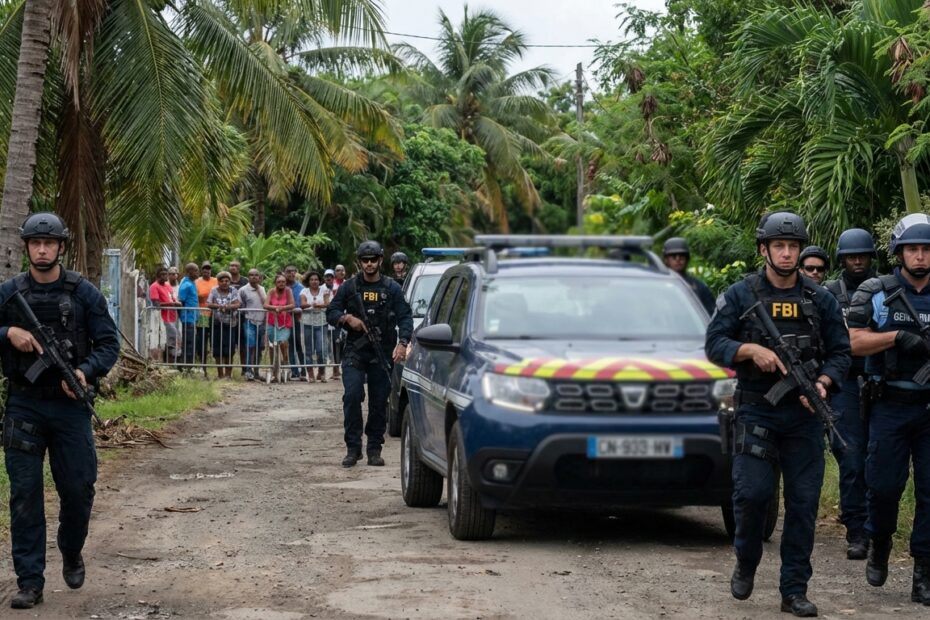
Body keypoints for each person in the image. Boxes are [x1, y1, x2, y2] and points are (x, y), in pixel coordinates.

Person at [705, 212, 850, 617]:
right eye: (779, 246)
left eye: (793, 247)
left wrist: (822, 383)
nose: (787, 253)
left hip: (804, 418)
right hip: (756, 408)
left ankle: (794, 590)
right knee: (752, 495)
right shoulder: (740, 294)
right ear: (764, 249)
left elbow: (841, 353)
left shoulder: (819, 299)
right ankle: (746, 560)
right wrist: (750, 351)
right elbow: (715, 343)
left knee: (803, 505)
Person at [0, 212, 119, 609]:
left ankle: (71, 549)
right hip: (24, 403)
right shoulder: (9, 293)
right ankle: (30, 582)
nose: (42, 249)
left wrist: (84, 372)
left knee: (78, 488)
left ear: (61, 247)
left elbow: (108, 345)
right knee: (24, 495)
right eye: (35, 243)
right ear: (27, 247)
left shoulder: (83, 293)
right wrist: (7, 333)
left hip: (70, 408)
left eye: (49, 243)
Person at [846, 214, 930, 606]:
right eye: (913, 249)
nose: (920, 256)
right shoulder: (876, 291)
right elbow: (853, 342)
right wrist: (896, 337)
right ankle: (879, 541)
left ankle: (923, 572)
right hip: (889, 405)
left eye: (926, 249)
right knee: (882, 488)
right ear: (899, 253)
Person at [327, 241, 413, 468]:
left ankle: (374, 448)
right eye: (365, 260)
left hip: (382, 353)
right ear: (359, 262)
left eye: (373, 259)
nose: (369, 264)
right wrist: (347, 319)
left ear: (380, 260)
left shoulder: (392, 288)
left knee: (378, 402)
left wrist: (403, 343)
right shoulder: (349, 287)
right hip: (355, 351)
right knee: (352, 397)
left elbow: (405, 317)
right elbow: (332, 311)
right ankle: (353, 449)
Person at [823, 228, 878, 561]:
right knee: (851, 459)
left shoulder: (887, 291)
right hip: (843, 384)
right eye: (851, 256)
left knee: (880, 458)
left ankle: (876, 526)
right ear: (842, 259)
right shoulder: (829, 295)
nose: (857, 260)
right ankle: (856, 529)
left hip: (880, 382)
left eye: (862, 255)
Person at [662, 237, 716, 315]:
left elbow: (711, 316)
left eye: (682, 255)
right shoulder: (657, 285)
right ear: (666, 259)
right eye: (673, 256)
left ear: (687, 258)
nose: (678, 259)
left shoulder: (699, 287)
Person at [206, 271, 240, 379]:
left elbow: (238, 303)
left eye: (227, 281)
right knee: (217, 349)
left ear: (229, 281)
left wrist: (228, 307)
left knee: (229, 350)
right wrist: (219, 306)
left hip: (231, 324)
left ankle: (228, 374)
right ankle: (220, 374)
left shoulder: (233, 290)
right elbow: (208, 303)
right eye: (222, 281)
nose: (225, 283)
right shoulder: (214, 290)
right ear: (218, 282)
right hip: (217, 323)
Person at [264, 274, 295, 383]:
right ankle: (273, 370)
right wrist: (275, 308)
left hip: (285, 322)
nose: (281, 284)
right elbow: (265, 305)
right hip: (272, 322)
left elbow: (292, 305)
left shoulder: (288, 291)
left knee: (283, 342)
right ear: (275, 283)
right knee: (273, 346)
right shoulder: (271, 291)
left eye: (283, 282)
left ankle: (285, 362)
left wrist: (282, 308)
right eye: (279, 282)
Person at [300, 271, 330, 382]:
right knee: (308, 349)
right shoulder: (304, 291)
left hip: (322, 322)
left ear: (319, 280)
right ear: (308, 281)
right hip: (307, 322)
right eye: (312, 279)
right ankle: (310, 373)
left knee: (321, 348)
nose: (314, 281)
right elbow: (302, 304)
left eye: (316, 279)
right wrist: (311, 305)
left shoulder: (325, 290)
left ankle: (321, 372)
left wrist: (318, 305)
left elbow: (328, 303)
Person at [238, 268, 266, 381]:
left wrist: (259, 290)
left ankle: (257, 371)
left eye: (256, 275)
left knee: (259, 348)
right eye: (251, 275)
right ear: (248, 277)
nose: (254, 277)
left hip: (262, 321)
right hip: (249, 321)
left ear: (259, 277)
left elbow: (265, 303)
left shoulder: (263, 289)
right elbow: (240, 305)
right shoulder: (243, 290)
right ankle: (248, 371)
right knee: (250, 346)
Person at [148, 266, 180, 362]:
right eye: (162, 274)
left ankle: (172, 362)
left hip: (173, 316)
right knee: (171, 338)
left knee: (174, 339)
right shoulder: (154, 286)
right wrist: (171, 304)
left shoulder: (168, 286)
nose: (165, 276)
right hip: (163, 318)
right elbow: (156, 304)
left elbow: (173, 298)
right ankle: (168, 363)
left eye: (166, 274)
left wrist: (176, 302)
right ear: (157, 276)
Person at [194, 262, 218, 375]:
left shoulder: (216, 280)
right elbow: (195, 297)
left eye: (208, 269)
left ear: (211, 271)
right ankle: (202, 365)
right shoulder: (197, 282)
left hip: (216, 315)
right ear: (201, 270)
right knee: (202, 340)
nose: (206, 271)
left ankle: (218, 366)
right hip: (202, 314)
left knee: (215, 339)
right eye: (204, 269)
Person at [284, 265, 305, 379]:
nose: (291, 274)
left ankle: (304, 369)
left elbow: (300, 304)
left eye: (293, 271)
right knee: (290, 345)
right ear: (284, 273)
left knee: (299, 344)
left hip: (298, 319)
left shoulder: (301, 287)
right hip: (284, 320)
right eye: (288, 271)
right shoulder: (281, 285)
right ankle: (294, 371)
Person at [177, 263, 200, 369]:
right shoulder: (186, 285)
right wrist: (181, 317)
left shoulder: (192, 283)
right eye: (195, 271)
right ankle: (186, 366)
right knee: (188, 343)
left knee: (191, 342)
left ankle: (189, 365)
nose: (197, 273)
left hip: (192, 317)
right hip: (187, 317)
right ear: (189, 272)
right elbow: (180, 301)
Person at [324, 269, 342, 380]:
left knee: (337, 344)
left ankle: (337, 369)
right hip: (325, 321)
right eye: (327, 277)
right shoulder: (322, 289)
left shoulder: (339, 288)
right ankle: (332, 369)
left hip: (336, 321)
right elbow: (326, 304)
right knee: (328, 345)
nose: (329, 278)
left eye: (330, 276)